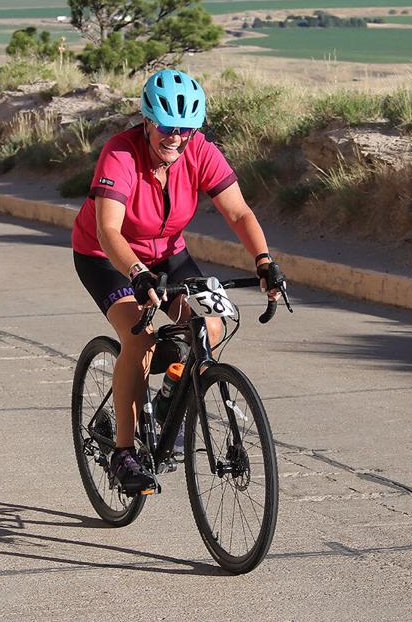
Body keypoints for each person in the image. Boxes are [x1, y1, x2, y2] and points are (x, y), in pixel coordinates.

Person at [72, 69, 285, 494]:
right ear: (148, 121)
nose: (176, 137)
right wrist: (136, 273)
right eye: (167, 127)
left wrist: (264, 261)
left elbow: (239, 212)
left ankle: (169, 402)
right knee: (141, 340)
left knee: (210, 325)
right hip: (107, 257)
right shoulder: (121, 154)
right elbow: (109, 231)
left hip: (168, 253)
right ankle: (124, 452)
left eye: (186, 129)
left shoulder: (199, 150)